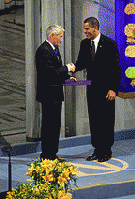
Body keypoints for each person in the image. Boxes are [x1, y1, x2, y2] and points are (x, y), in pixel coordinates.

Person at [72, 17, 121, 162]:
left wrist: (113, 89)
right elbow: (81, 63)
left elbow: (116, 69)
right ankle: (97, 149)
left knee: (106, 120)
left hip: (107, 90)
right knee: (94, 120)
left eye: (87, 29)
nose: (85, 32)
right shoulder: (84, 44)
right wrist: (70, 69)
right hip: (92, 89)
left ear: (95, 28)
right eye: (84, 29)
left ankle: (106, 150)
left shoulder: (110, 44)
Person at [35, 25, 76, 161]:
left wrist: (68, 77)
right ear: (52, 36)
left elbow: (57, 71)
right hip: (48, 95)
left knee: (55, 125)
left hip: (56, 94)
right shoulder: (44, 51)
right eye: (60, 37)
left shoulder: (54, 49)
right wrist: (67, 68)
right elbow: (50, 73)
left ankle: (52, 154)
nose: (62, 40)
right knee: (49, 126)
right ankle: (46, 155)